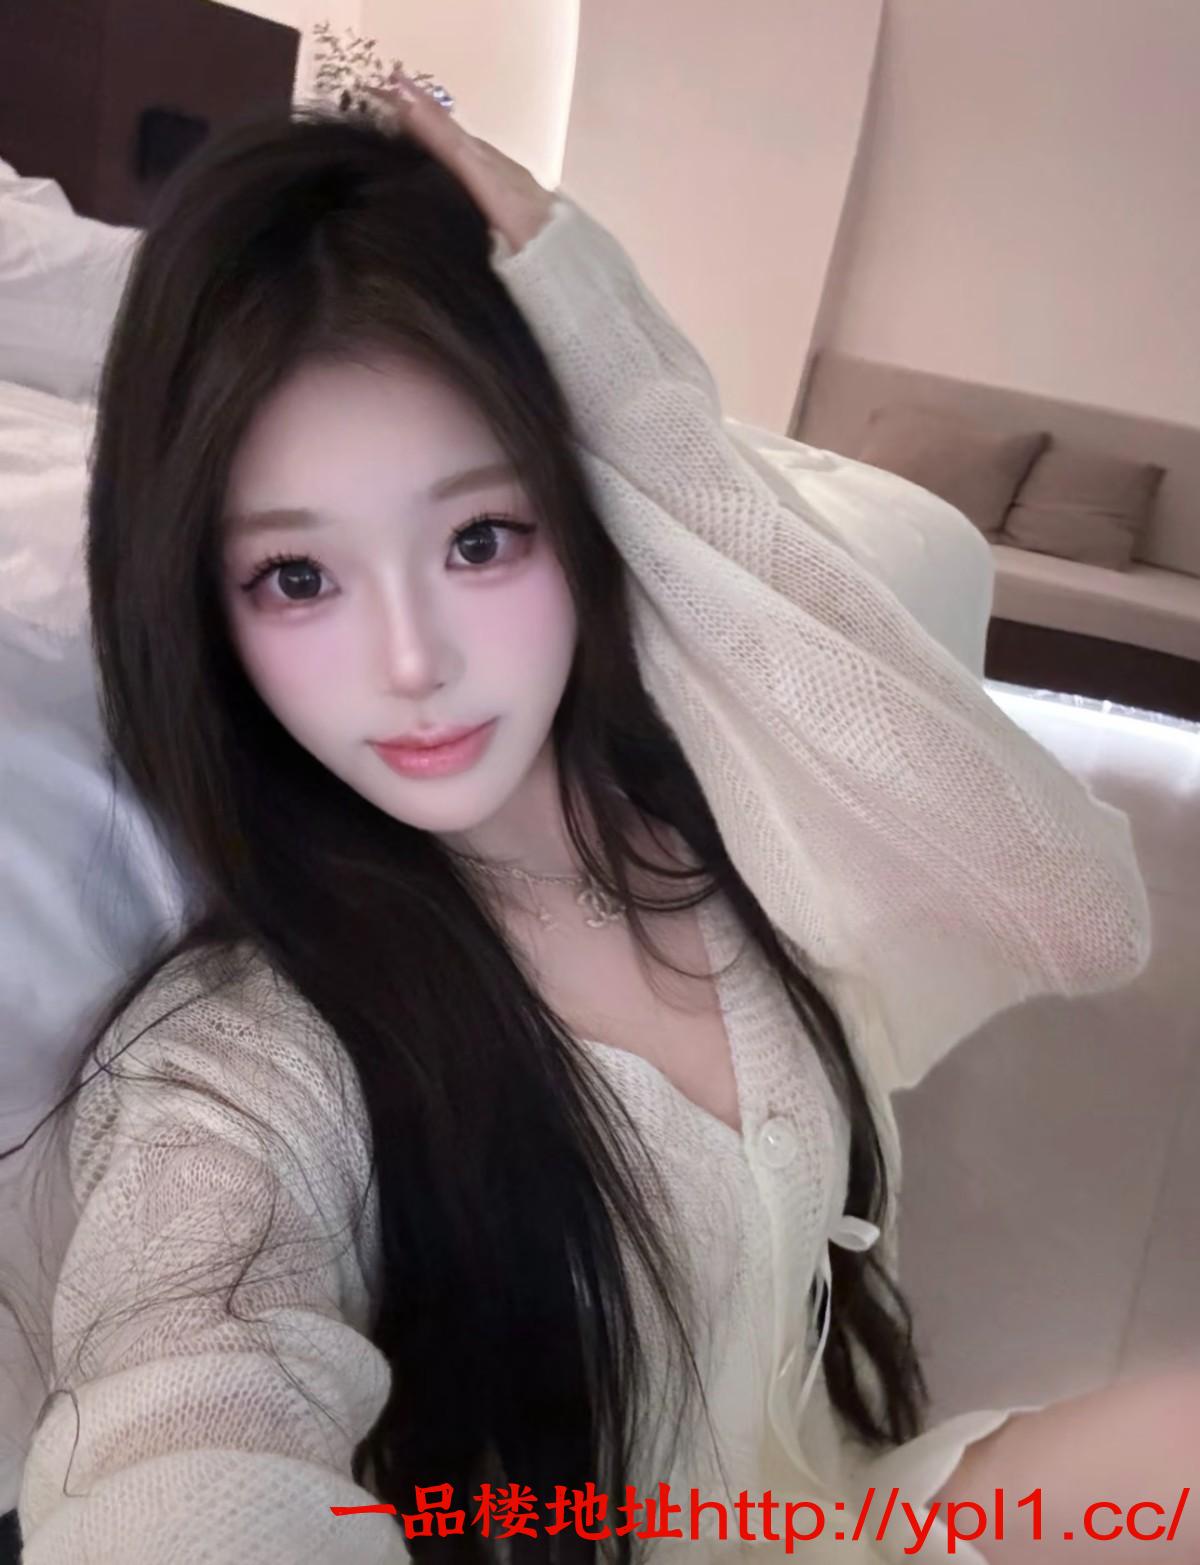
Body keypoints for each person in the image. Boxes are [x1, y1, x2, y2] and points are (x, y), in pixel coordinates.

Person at [4, 79, 1193, 1564]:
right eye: (298, 578)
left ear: (580, 515)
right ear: (204, 607)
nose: (413, 664)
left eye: (481, 537)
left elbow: (1072, 908)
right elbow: (186, 1432)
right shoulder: (246, 1068)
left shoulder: (708, 820)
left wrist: (637, 392)